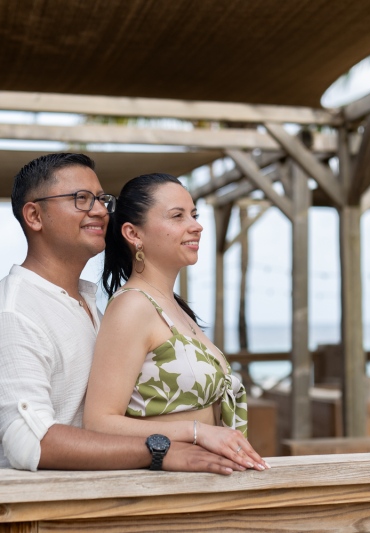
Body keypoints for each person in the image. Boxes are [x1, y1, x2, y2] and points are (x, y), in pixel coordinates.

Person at [0, 153, 238, 474]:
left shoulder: (87, 302)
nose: (99, 210)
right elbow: (31, 443)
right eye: (80, 199)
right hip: (35, 515)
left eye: (100, 199)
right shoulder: (12, 313)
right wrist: (162, 450)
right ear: (34, 215)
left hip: (94, 501)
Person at [83, 173, 268, 471]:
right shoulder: (132, 306)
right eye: (177, 216)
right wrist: (197, 431)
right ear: (134, 234)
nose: (196, 226)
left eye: (194, 215)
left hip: (205, 482)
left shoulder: (175, 308)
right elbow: (98, 423)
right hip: (165, 488)